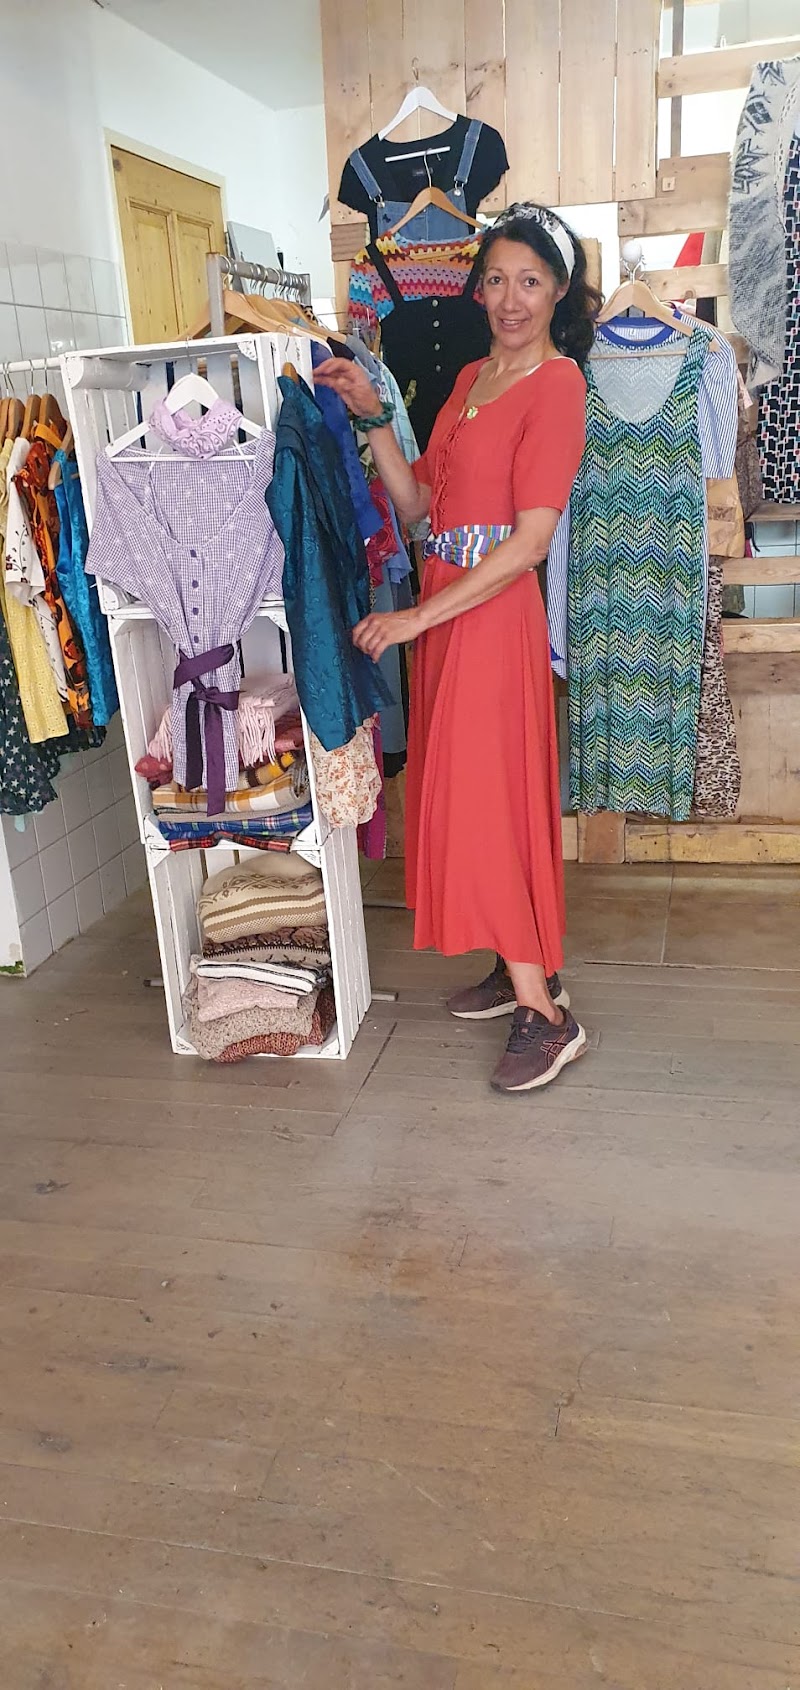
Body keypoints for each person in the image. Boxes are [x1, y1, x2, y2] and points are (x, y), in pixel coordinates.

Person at [315, 202, 599, 1091]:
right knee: (473, 792)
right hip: (447, 609)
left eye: (531, 281)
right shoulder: (473, 377)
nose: (511, 298)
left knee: (488, 799)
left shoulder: (558, 385)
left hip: (489, 615)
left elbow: (530, 542)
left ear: (559, 292)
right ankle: (520, 963)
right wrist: (373, 415)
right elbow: (418, 507)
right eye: (498, 279)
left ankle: (547, 1015)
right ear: (477, 288)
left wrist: (412, 619)